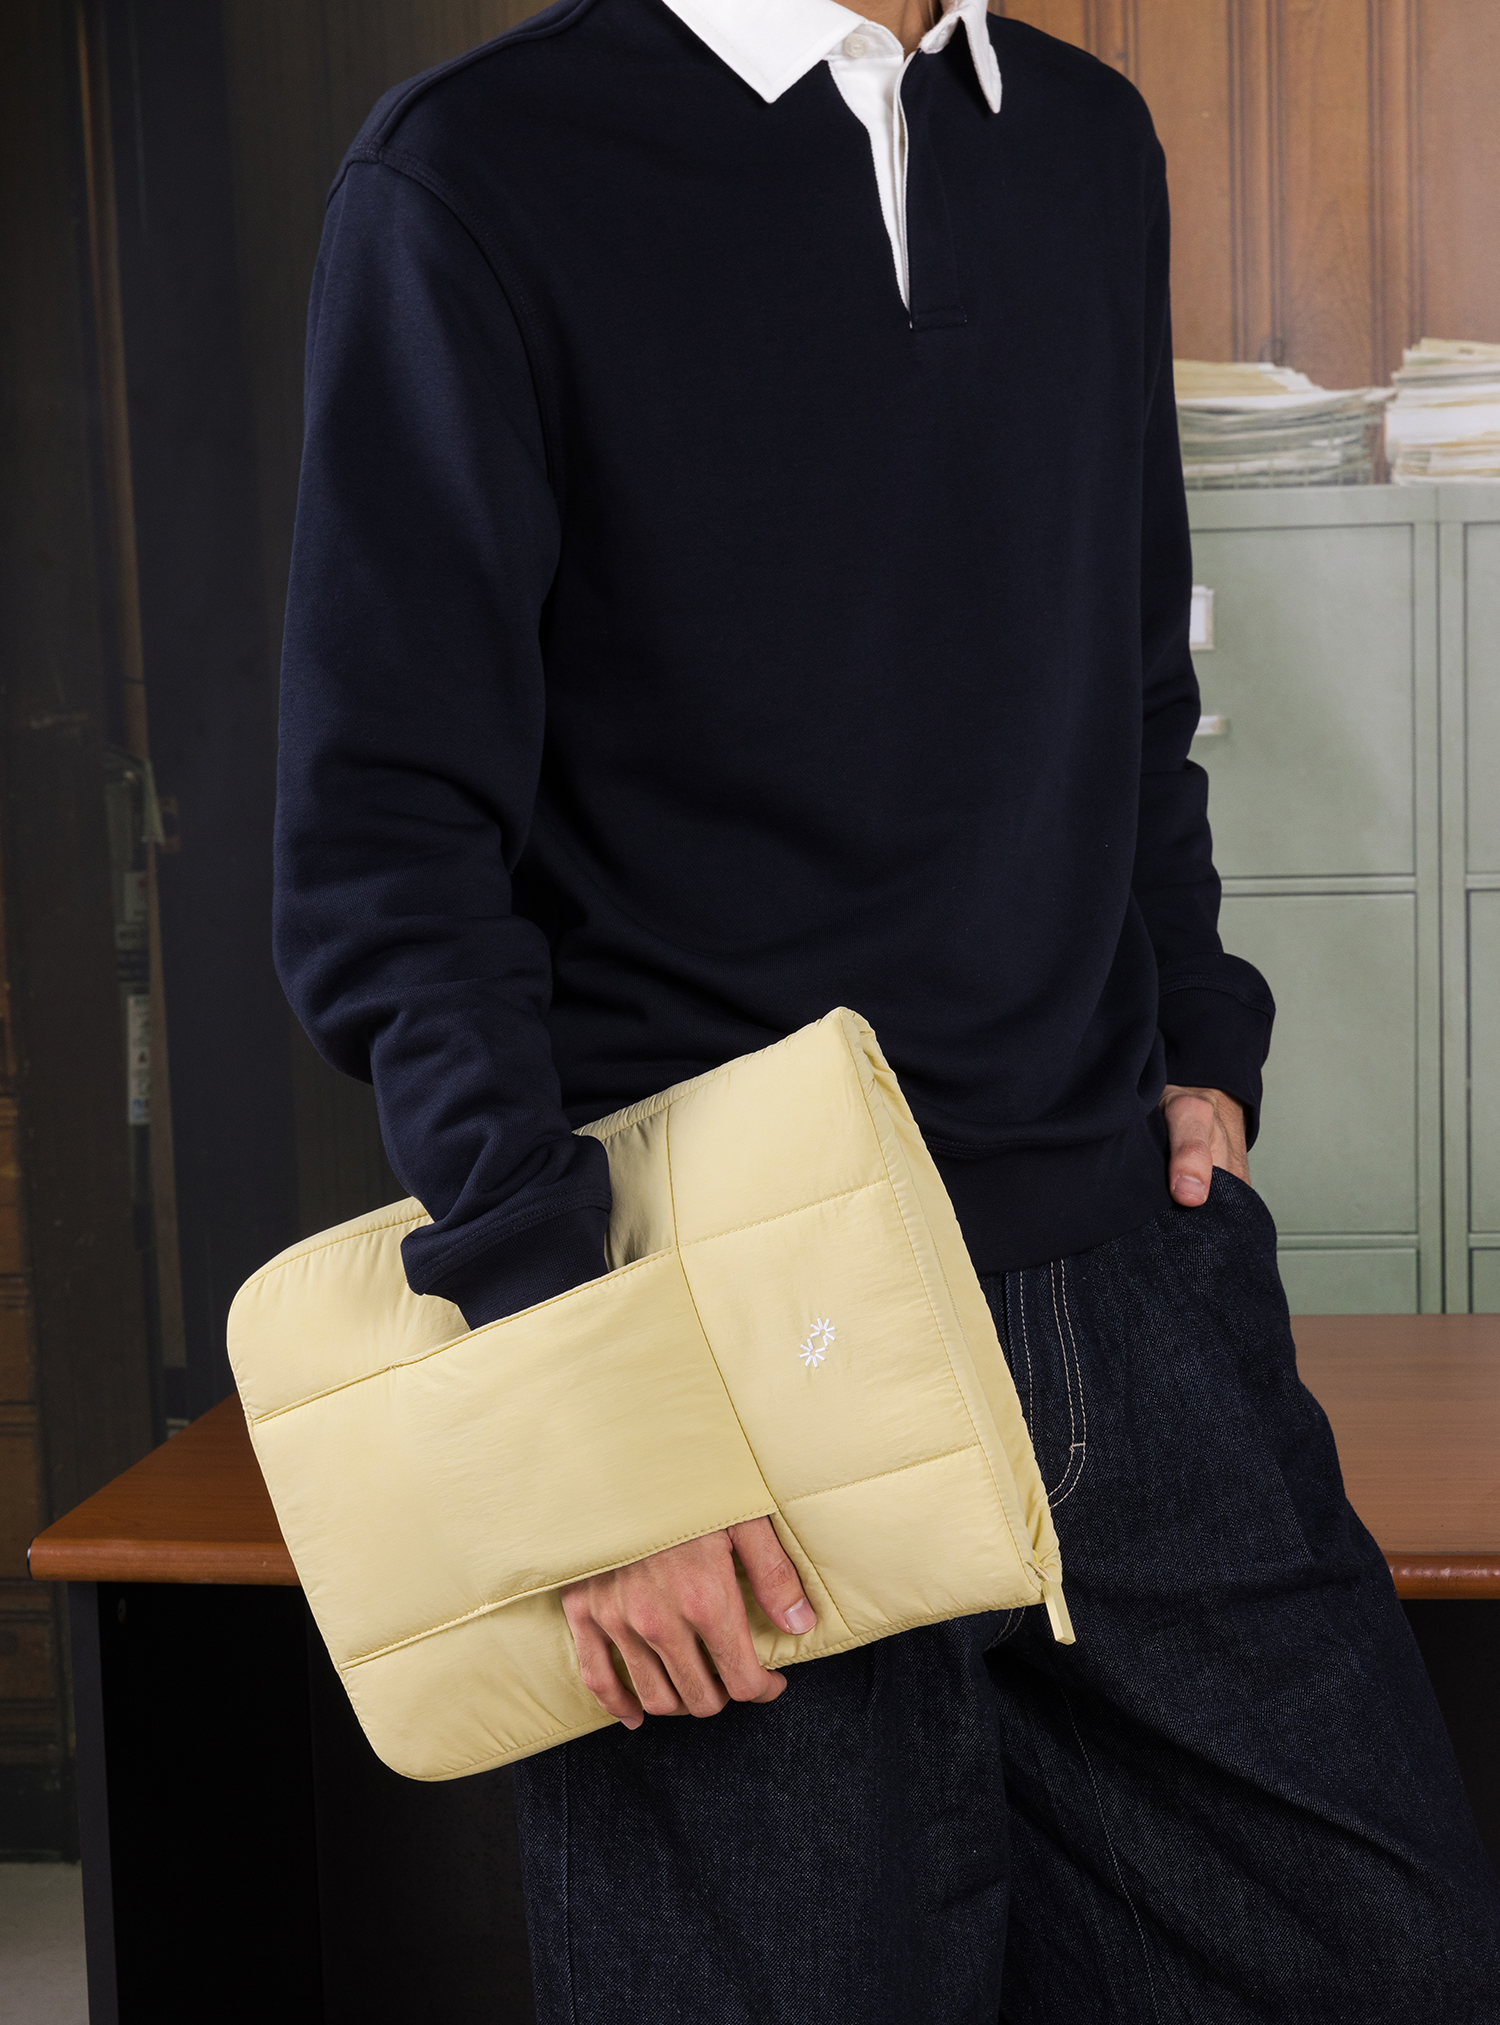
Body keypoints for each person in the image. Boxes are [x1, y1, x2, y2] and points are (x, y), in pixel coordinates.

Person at [273, 0, 1500, 2015]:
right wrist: (595, 1413)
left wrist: (1198, 1035)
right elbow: (388, 847)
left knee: (1397, 1961)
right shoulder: (472, 172)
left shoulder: (1080, 141)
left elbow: (1132, 672)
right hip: (712, 1341)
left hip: (1124, 1287)